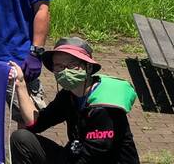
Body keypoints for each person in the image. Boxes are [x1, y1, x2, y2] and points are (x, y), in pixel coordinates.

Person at [9, 37, 139, 163]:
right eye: (59, 66)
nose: (65, 71)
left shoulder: (104, 106)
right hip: (77, 155)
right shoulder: (68, 96)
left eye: (72, 66)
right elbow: (36, 123)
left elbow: (92, 156)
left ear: (88, 67)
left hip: (99, 159)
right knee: (21, 138)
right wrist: (20, 84)